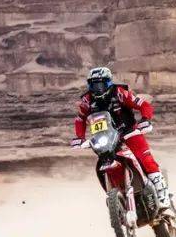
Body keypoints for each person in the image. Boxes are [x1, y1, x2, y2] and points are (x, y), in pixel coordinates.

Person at [72, 66, 170, 207]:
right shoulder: (87, 101)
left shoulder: (120, 93)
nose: (98, 88)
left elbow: (144, 105)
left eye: (101, 84)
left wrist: (145, 119)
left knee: (146, 160)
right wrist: (79, 137)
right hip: (107, 139)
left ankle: (163, 198)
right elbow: (80, 119)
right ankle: (116, 198)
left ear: (108, 82)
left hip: (129, 132)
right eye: (94, 85)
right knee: (102, 161)